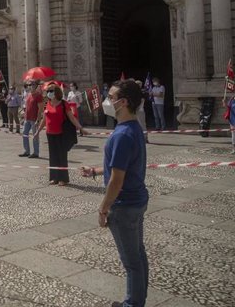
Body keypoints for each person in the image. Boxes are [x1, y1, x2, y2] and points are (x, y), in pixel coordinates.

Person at [80, 79, 149, 307]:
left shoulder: (121, 135)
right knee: (138, 255)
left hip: (124, 204)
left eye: (111, 97)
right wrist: (96, 171)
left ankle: (133, 304)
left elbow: (117, 181)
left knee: (131, 262)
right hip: (137, 200)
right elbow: (121, 167)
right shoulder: (134, 128)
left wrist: (103, 208)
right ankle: (137, 300)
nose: (107, 100)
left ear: (124, 102)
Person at [34, 83, 87, 185]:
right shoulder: (48, 103)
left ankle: (63, 178)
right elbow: (44, 120)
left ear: (57, 92)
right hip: (50, 133)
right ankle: (54, 177)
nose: (49, 93)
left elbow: (72, 117)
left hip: (61, 133)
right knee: (52, 156)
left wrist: (80, 128)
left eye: (51, 91)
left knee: (62, 156)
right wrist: (37, 131)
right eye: (48, 91)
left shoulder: (63, 104)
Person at [20, 80, 44, 158]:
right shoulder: (29, 95)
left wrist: (38, 120)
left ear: (36, 85)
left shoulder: (39, 95)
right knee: (24, 134)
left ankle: (36, 153)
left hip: (34, 119)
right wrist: (24, 117)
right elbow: (27, 107)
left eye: (33, 84)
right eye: (30, 84)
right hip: (27, 118)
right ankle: (27, 151)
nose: (31, 86)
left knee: (35, 136)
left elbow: (40, 109)